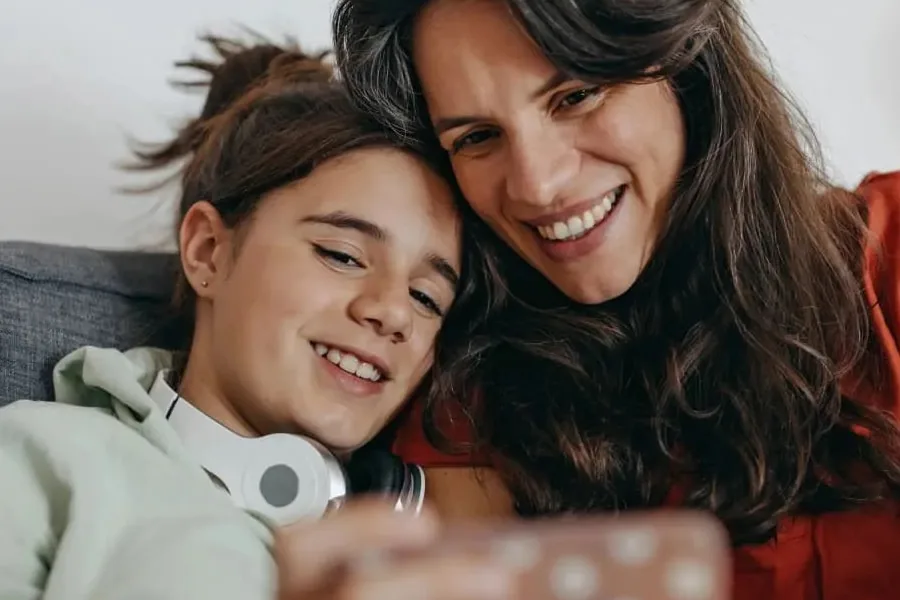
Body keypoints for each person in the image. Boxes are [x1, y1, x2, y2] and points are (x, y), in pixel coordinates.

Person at [332, 0, 900, 598]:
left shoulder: (886, 255)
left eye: (575, 96)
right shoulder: (468, 406)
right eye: (477, 137)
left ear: (688, 67)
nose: (537, 184)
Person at [0, 35, 521, 600]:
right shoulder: (44, 461)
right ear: (208, 252)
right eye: (342, 256)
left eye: (427, 298)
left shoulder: (414, 551)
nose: (394, 312)